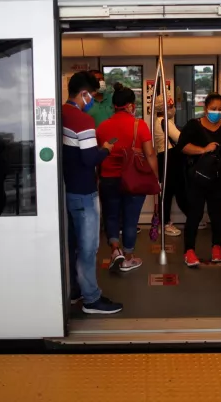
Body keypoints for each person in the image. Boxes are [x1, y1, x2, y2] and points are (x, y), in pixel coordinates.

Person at [61, 72, 122, 315]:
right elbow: (89, 159)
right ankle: (91, 299)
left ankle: (75, 289)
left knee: (73, 245)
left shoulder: (61, 114)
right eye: (92, 96)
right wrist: (105, 149)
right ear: (84, 94)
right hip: (85, 191)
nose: (93, 102)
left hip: (67, 189)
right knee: (88, 248)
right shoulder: (82, 121)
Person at [96, 87, 159, 272]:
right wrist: (155, 178)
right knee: (131, 219)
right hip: (133, 180)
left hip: (108, 178)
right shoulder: (140, 125)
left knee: (111, 216)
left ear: (114, 105)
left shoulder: (102, 127)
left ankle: (115, 250)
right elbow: (150, 154)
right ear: (131, 105)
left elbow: (99, 154)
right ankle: (129, 258)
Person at [177, 93, 221, 267]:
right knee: (195, 214)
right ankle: (189, 251)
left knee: (217, 214)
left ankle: (217, 247)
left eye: (220, 110)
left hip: (218, 178)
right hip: (197, 178)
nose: (217, 112)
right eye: (213, 109)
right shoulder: (193, 126)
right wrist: (203, 150)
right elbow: (183, 147)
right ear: (205, 109)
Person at [153, 93, 184, 236]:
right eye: (170, 106)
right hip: (168, 158)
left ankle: (164, 221)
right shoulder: (164, 121)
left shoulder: (159, 121)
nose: (173, 109)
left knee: (166, 192)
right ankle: (165, 223)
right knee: (168, 192)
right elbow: (180, 138)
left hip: (163, 157)